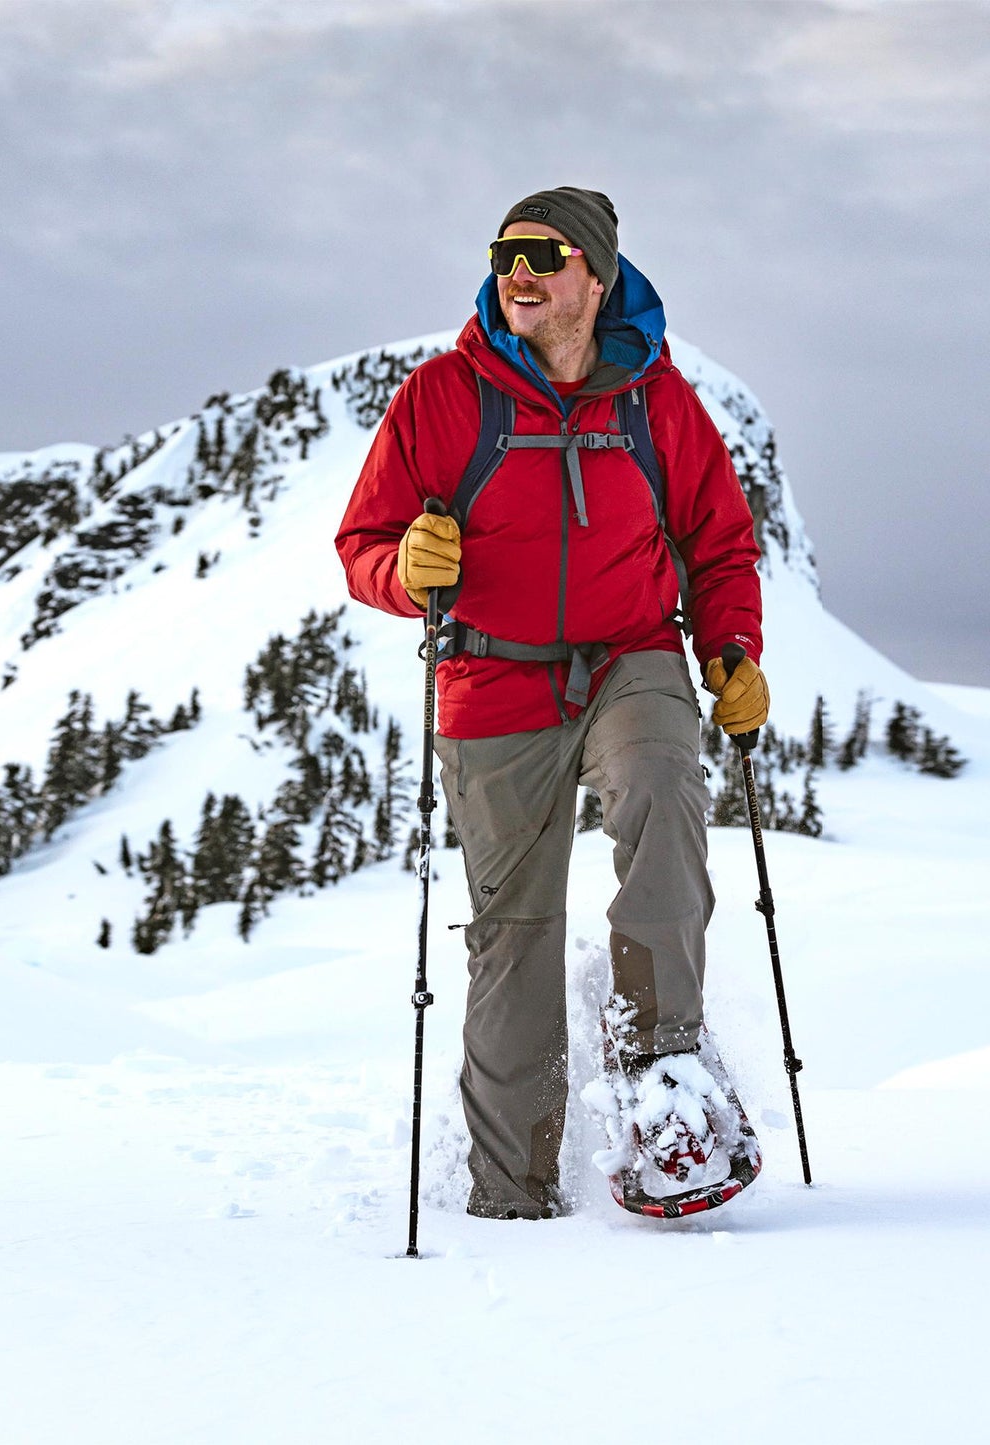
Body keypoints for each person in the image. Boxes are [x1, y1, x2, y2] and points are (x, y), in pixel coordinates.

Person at [335, 187, 769, 1220]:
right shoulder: (443, 397)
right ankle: (511, 1190)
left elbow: (716, 540)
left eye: (544, 253)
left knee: (661, 787)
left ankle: (662, 1074)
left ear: (597, 276)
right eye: (503, 253)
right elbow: (363, 547)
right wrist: (407, 568)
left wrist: (732, 650)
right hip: (492, 672)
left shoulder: (656, 402)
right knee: (511, 934)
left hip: (631, 655)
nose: (517, 271)